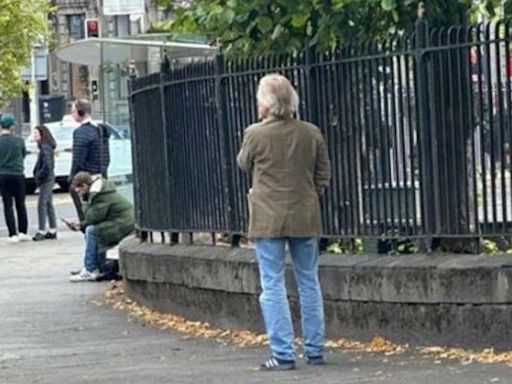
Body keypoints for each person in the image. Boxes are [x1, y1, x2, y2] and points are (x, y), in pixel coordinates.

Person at [237, 74, 331, 371]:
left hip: (268, 218)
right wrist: (312, 194)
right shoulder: (311, 133)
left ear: (266, 104)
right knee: (308, 281)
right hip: (305, 215)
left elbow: (243, 163)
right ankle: (315, 349)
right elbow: (323, 173)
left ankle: (282, 352)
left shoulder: (255, 133)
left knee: (273, 284)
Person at [67, 171, 134, 282]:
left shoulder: (99, 195)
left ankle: (90, 269)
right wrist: (80, 225)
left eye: (79, 190)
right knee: (94, 230)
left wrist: (83, 200)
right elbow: (96, 217)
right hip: (123, 221)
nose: (78, 192)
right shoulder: (101, 191)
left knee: (92, 231)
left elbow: (92, 217)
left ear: (84, 186)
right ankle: (96, 266)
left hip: (123, 223)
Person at [69, 98, 110, 221]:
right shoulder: (101, 129)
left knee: (85, 212)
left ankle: (85, 227)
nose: (72, 114)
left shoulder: (81, 132)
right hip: (101, 174)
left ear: (80, 112)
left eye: (73, 111)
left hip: (87, 176)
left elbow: (78, 159)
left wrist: (73, 178)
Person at [0, 115, 29, 243]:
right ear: (11, 127)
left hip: (3, 174)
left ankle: (12, 234)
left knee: (7, 205)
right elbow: (23, 155)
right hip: (17, 174)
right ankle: (23, 231)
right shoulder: (19, 141)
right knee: (21, 204)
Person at [32, 125, 58, 241]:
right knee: (48, 204)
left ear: (42, 134)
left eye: (36, 133)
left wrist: (39, 175)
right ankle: (52, 229)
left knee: (42, 204)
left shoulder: (45, 147)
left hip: (46, 179)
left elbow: (47, 165)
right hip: (49, 178)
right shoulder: (46, 146)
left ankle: (41, 230)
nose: (34, 136)